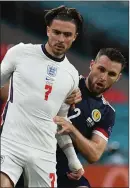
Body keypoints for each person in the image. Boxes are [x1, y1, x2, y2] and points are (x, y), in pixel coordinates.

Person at [0, 5, 84, 188]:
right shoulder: (20, 52)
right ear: (48, 30)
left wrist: (72, 159)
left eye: (67, 35)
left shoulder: (71, 75)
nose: (61, 39)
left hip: (44, 151)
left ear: (75, 37)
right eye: (56, 32)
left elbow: (59, 122)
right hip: (11, 142)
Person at [54, 48, 126, 188]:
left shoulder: (106, 112)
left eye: (111, 74)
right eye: (101, 69)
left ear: (118, 78)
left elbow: (94, 154)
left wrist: (72, 130)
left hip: (64, 165)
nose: (103, 78)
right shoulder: (69, 81)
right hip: (33, 149)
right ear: (92, 65)